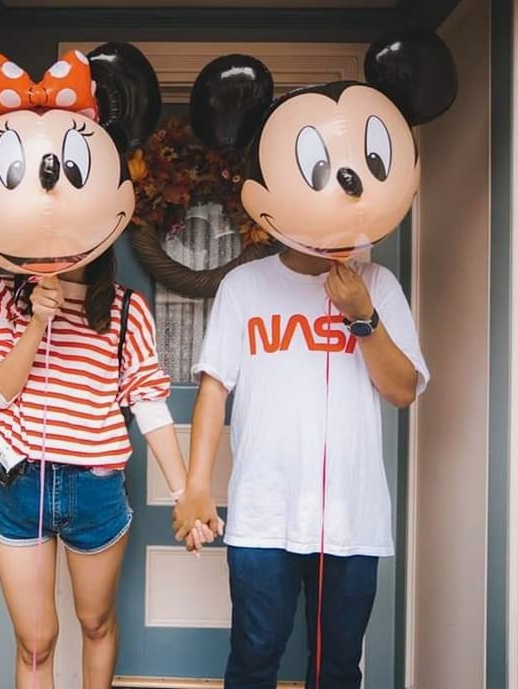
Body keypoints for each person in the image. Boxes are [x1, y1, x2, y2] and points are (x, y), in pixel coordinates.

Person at [173, 250, 428, 688]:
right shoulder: (243, 284)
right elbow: (214, 388)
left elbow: (402, 390)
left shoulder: (377, 282)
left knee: (338, 668)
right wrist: (196, 486)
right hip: (263, 515)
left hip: (352, 518)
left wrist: (362, 314)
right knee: (253, 659)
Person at [0, 250, 204, 689]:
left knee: (96, 623)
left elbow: (149, 404)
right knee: (35, 643)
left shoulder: (126, 308)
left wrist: (185, 496)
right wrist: (38, 322)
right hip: (21, 485)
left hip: (95, 489)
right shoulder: (6, 293)